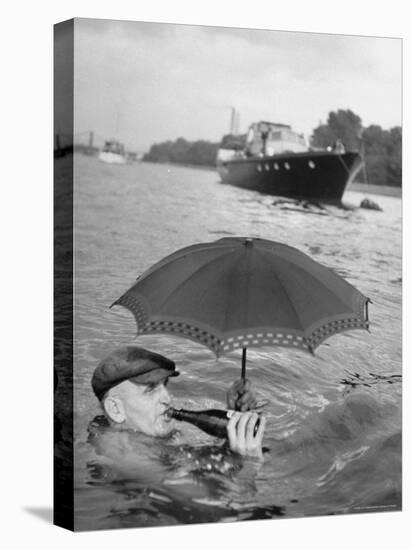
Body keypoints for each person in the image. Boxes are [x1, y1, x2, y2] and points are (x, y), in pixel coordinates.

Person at [90, 345, 266, 460]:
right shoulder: (125, 457)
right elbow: (210, 503)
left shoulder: (143, 436)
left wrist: (233, 420)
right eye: (150, 389)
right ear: (115, 409)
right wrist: (249, 463)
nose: (167, 398)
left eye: (165, 385)